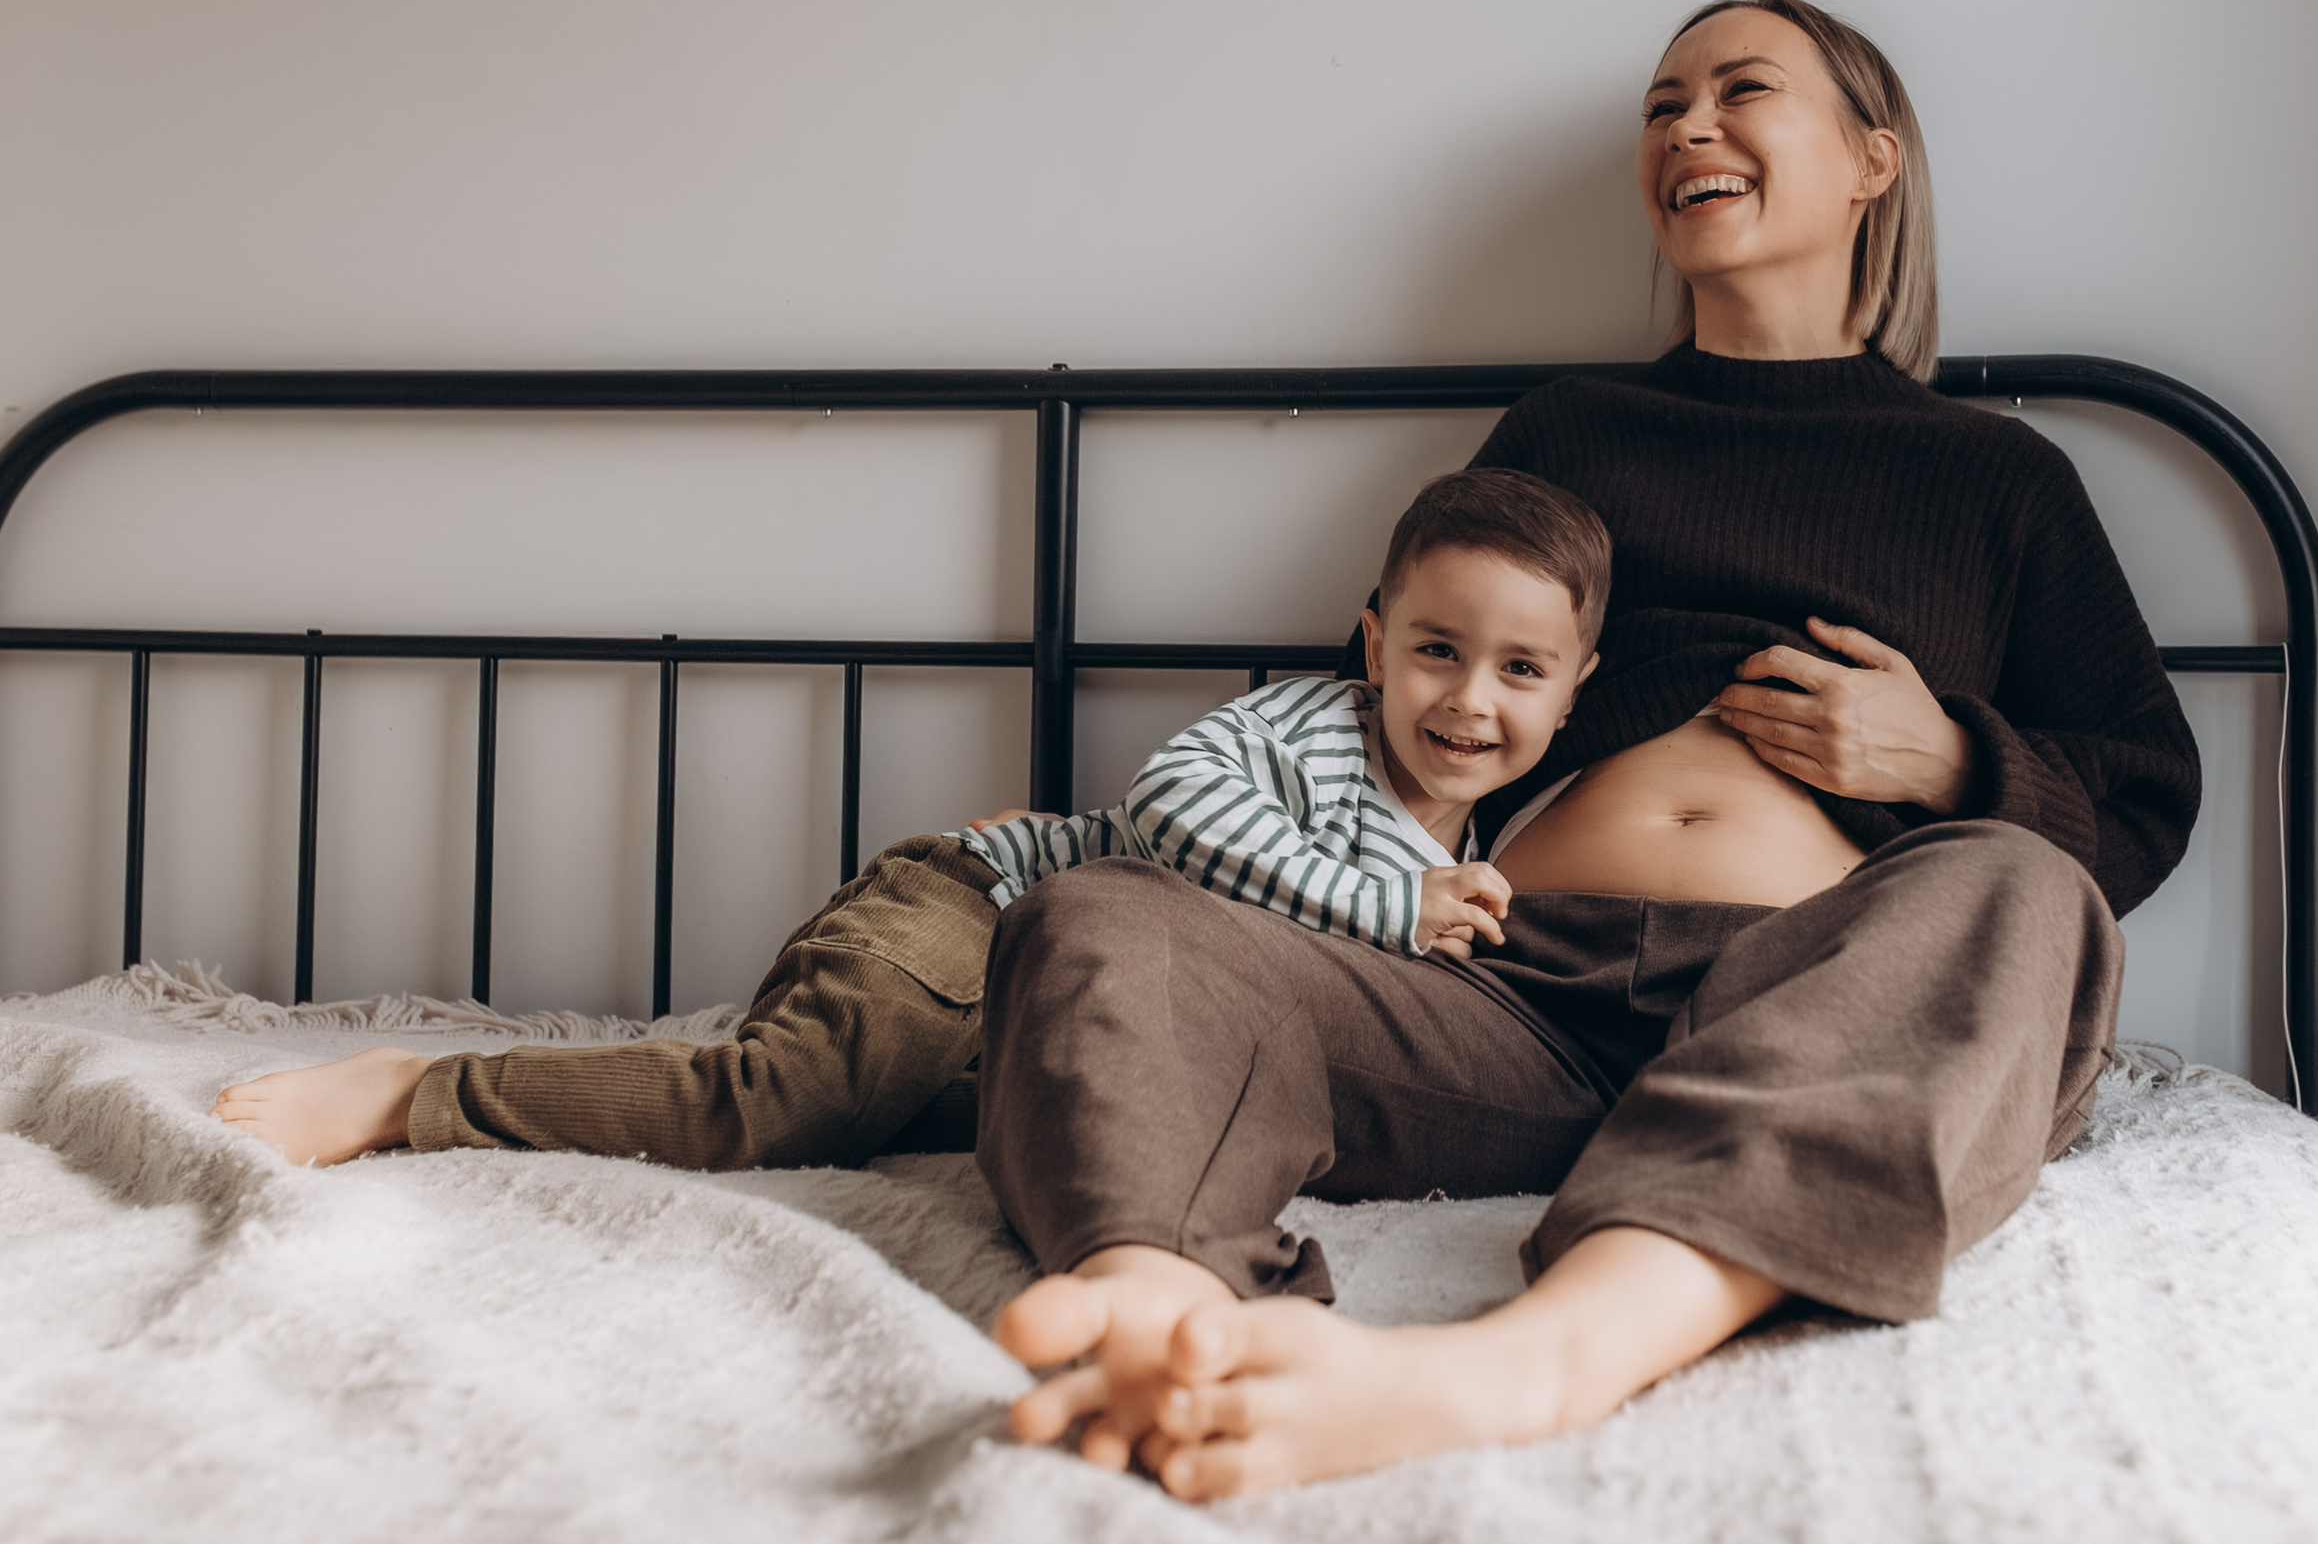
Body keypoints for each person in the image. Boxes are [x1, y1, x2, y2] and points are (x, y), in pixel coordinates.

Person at [974, 0, 2200, 1500]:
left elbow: (2145, 796)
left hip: (1813, 997)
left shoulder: (2001, 479)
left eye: (1740, 91)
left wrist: (1947, 757)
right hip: (1504, 988)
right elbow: (1394, 696)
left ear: (1874, 159)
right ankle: (1160, 1310)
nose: (1686, 126)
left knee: (2017, 888)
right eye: (1661, 105)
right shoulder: (1572, 429)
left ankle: (1539, 1354)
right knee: (1100, 918)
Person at [208, 468, 1611, 1171]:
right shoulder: (1313, 730)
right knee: (778, 1102)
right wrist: (1390, 911)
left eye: (1520, 670)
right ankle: (413, 1092)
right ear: (1373, 644)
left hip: (1029, 1006)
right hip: (975, 907)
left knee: (902, 1122)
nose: (1469, 699)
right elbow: (1174, 810)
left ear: (1575, 691)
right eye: (1436, 649)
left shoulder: (1475, 851)